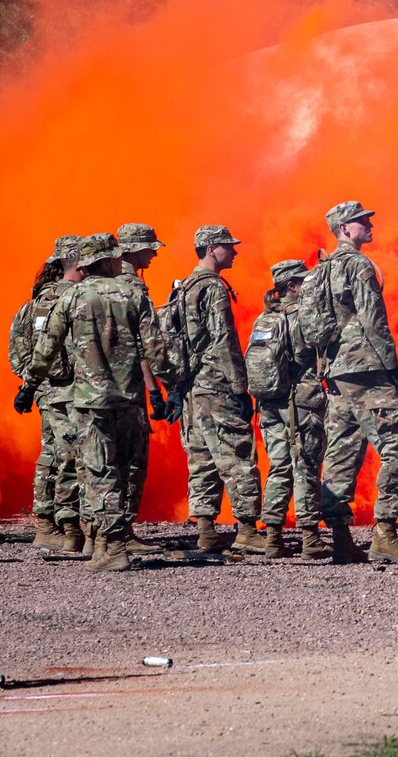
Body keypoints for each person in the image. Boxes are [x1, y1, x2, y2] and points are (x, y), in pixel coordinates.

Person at [16, 234, 155, 571]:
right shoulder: (133, 293)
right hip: (129, 399)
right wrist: (169, 389)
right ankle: (107, 543)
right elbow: (155, 346)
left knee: (99, 473)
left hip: (90, 401)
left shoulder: (73, 297)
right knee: (122, 470)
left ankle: (113, 548)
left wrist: (29, 385)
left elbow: (47, 347)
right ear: (107, 261)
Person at [308, 200, 398, 565]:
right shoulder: (358, 266)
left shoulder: (318, 271)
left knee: (342, 451)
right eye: (361, 221)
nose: (369, 224)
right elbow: (374, 321)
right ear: (345, 229)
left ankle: (341, 539)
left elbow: (309, 327)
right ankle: (385, 534)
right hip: (368, 370)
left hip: (337, 373)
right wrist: (392, 370)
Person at [175, 225, 267, 555]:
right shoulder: (212, 288)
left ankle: (206, 533)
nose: (235, 251)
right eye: (229, 246)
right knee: (238, 456)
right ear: (212, 248)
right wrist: (241, 388)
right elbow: (224, 340)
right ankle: (246, 530)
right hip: (217, 386)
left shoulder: (184, 287)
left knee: (201, 461)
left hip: (192, 389)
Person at [9, 236, 81, 553]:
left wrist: (32, 383)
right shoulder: (73, 299)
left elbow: (17, 350)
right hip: (70, 387)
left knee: (54, 452)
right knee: (64, 454)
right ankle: (53, 525)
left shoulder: (35, 303)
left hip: (45, 387)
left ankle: (52, 523)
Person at [248, 259, 321, 558]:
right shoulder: (300, 316)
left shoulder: (263, 319)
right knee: (305, 465)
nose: (308, 285)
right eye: (303, 281)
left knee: (278, 466)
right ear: (291, 286)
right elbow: (314, 347)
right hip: (300, 400)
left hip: (268, 404)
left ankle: (273, 537)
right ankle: (310, 537)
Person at [113, 222, 174, 555]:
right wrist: (161, 388)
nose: (153, 254)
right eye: (150, 248)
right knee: (132, 461)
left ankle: (104, 532)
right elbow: (144, 346)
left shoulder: (104, 284)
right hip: (128, 389)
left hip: (104, 387)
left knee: (107, 461)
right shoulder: (132, 288)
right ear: (133, 250)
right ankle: (122, 531)